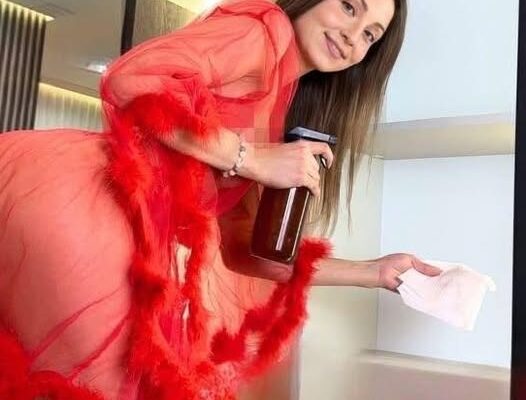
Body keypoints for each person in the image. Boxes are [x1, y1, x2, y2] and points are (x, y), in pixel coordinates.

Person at [0, 0, 441, 399]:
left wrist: (374, 272)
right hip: (91, 203)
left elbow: (245, 250)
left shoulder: (276, 108)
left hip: (113, 229)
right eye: (349, 7)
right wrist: (250, 159)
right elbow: (130, 79)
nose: (353, 35)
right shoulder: (264, 30)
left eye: (370, 35)